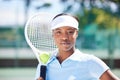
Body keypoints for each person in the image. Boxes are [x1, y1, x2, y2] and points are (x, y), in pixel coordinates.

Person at [35, 13, 120, 80]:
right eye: (59, 32)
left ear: (77, 33)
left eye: (70, 32)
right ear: (52, 34)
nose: (64, 37)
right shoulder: (44, 64)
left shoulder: (90, 62)